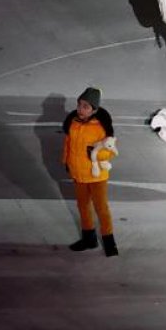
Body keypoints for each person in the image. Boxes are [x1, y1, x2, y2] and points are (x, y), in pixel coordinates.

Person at [62, 87, 119, 257]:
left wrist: (95, 152)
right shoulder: (73, 122)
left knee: (101, 208)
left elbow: (110, 150)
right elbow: (68, 144)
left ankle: (109, 241)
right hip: (78, 173)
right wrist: (66, 161)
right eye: (79, 105)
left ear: (95, 109)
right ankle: (89, 239)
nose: (81, 109)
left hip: (96, 176)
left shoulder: (101, 127)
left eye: (86, 106)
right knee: (83, 206)